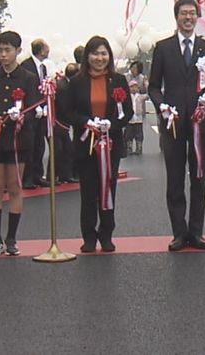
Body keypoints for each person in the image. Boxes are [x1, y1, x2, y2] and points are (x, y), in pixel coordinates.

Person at [148, 0, 205, 251]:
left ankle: (197, 232)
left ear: (197, 17)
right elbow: (154, 87)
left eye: (192, 13)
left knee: (199, 177)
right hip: (173, 123)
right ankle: (179, 232)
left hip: (200, 123)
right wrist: (162, 106)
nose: (188, 18)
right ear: (176, 17)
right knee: (175, 179)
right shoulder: (163, 48)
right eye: (183, 14)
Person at [62, 36, 134, 253]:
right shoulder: (76, 82)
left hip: (110, 143)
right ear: (87, 56)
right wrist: (87, 122)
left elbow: (127, 112)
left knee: (108, 188)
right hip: (86, 143)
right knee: (88, 191)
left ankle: (106, 233)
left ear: (109, 56)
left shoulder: (118, 80)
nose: (99, 58)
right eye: (95, 54)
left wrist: (110, 124)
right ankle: (89, 236)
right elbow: (68, 112)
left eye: (104, 53)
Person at [0, 31, 42, 256]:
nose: (3, 55)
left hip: (18, 141)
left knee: (15, 187)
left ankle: (11, 238)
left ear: (17, 51)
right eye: (0, 50)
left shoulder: (29, 78)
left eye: (8, 50)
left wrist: (22, 117)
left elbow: (35, 109)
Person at [20, 38, 53, 189]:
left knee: (39, 144)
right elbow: (26, 88)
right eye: (46, 48)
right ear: (41, 50)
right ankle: (27, 178)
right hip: (30, 111)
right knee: (30, 145)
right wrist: (34, 106)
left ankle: (38, 175)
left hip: (42, 111)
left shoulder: (43, 68)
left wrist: (45, 105)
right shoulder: (26, 66)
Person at [127, 60, 147, 155]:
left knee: (139, 133)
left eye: (136, 68)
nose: (134, 70)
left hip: (138, 113)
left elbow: (146, 92)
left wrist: (146, 85)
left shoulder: (142, 78)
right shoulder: (126, 76)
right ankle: (128, 147)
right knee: (128, 132)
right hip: (129, 115)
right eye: (133, 67)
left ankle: (139, 148)